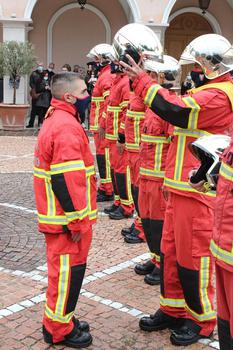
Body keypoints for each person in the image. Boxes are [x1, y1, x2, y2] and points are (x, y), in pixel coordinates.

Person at [120, 32, 233, 346]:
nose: (192, 71)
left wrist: (144, 81)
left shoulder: (221, 95)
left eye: (196, 65)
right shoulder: (212, 90)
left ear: (210, 66)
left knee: (193, 257)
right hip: (180, 187)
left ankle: (201, 320)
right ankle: (172, 309)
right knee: (171, 253)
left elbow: (177, 111)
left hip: (197, 193)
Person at [33, 72, 97, 348]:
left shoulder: (58, 118)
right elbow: (66, 181)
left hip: (60, 219)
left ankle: (62, 319)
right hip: (66, 222)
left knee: (66, 275)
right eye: (84, 91)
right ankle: (58, 330)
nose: (88, 96)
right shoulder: (66, 127)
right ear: (69, 96)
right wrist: (78, 222)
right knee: (65, 277)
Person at [134, 56, 179, 285]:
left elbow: (174, 146)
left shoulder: (169, 106)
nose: (148, 79)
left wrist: (169, 181)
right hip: (146, 174)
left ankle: (163, 264)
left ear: (161, 77)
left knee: (160, 225)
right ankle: (155, 257)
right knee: (148, 221)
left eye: (151, 75)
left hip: (160, 179)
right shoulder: (153, 105)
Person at [99, 58, 134, 220]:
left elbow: (127, 112)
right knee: (115, 169)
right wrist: (103, 125)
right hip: (112, 136)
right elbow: (109, 107)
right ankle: (119, 202)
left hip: (118, 137)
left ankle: (127, 206)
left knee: (122, 170)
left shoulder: (125, 82)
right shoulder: (118, 80)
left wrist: (122, 136)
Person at [87, 44, 115, 202]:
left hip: (102, 126)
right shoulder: (104, 75)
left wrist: (102, 124)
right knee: (101, 156)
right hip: (99, 125)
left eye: (96, 59)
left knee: (105, 156)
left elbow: (109, 103)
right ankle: (105, 187)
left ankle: (108, 189)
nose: (94, 62)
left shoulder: (107, 76)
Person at [26, 62, 45, 128]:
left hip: (42, 93)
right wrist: (34, 90)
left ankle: (40, 123)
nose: (40, 67)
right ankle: (31, 124)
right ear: (37, 66)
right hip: (35, 93)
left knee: (41, 109)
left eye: (41, 66)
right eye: (39, 65)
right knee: (33, 109)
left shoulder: (44, 73)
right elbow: (31, 83)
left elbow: (46, 81)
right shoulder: (33, 73)